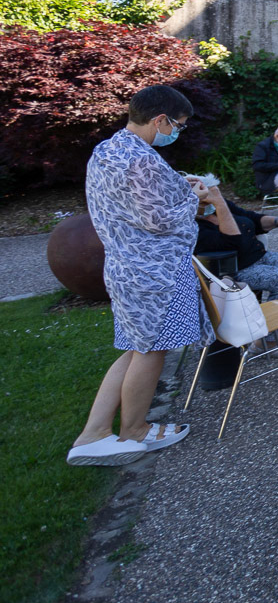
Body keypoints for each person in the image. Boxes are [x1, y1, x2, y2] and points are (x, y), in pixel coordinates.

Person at [69, 85, 205, 466]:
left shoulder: (107, 149)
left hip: (125, 268)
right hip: (154, 272)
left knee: (135, 347)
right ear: (159, 120)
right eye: (177, 125)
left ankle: (94, 432)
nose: (178, 132)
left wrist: (179, 187)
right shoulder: (141, 158)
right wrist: (196, 198)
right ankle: (134, 430)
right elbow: (157, 219)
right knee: (151, 350)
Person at [193, 182, 278, 307]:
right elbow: (233, 242)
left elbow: (251, 218)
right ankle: (272, 324)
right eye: (205, 199)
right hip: (233, 270)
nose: (211, 202)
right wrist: (220, 205)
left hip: (257, 255)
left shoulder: (216, 207)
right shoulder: (192, 225)